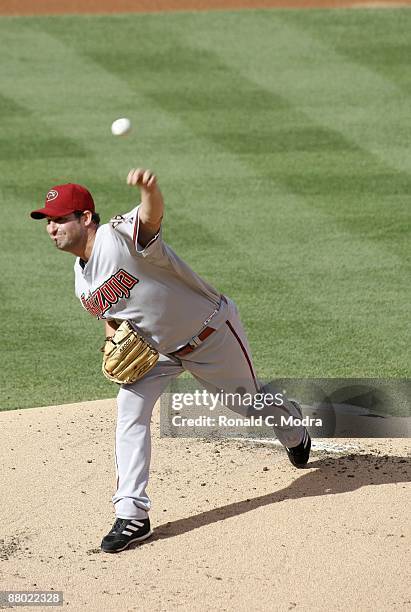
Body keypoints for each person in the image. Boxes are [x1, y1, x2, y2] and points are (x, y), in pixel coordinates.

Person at [31, 168, 311, 554]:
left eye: (60, 218)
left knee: (246, 404)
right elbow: (114, 317)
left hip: (210, 335)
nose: (51, 228)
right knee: (129, 411)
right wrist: (112, 344)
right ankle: (132, 514)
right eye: (48, 221)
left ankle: (292, 423)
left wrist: (150, 190)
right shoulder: (80, 279)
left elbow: (150, 218)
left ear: (85, 218)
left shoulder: (117, 237)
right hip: (159, 352)